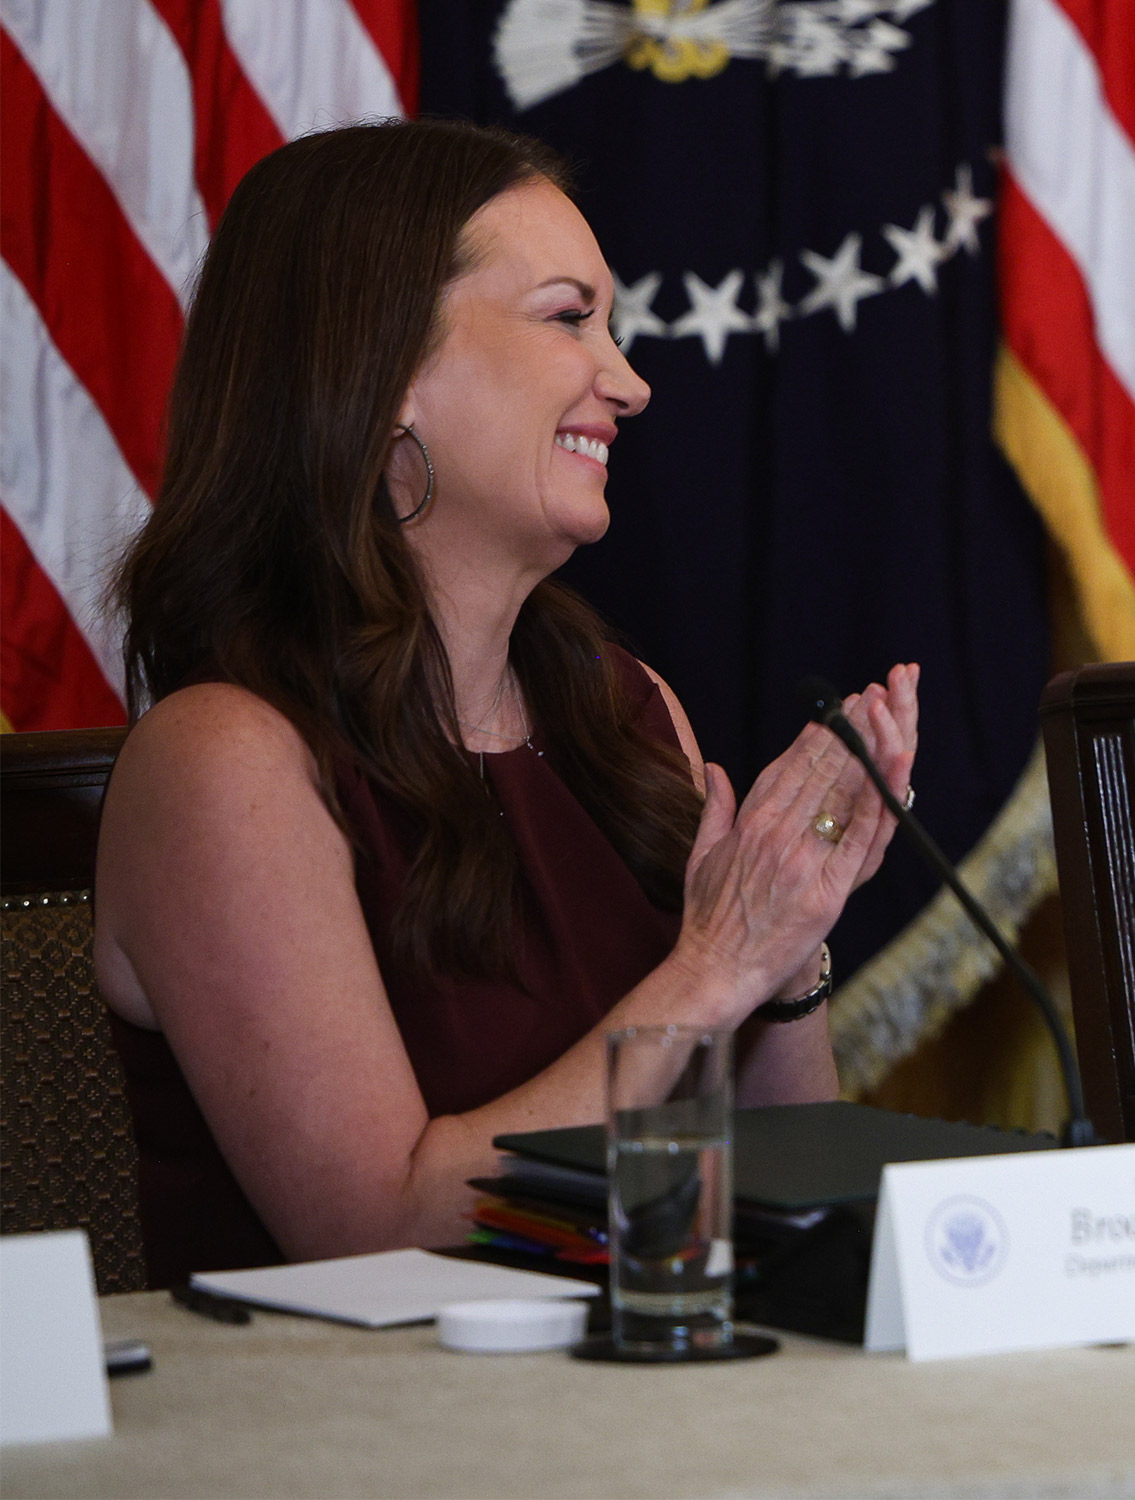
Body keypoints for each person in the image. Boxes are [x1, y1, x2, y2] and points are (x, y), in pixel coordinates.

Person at [96, 120, 918, 1282]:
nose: (630, 383)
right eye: (569, 317)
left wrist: (785, 947)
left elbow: (774, 1191)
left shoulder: (623, 713)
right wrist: (712, 966)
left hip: (649, 1397)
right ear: (383, 374)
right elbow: (371, 1232)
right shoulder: (222, 761)